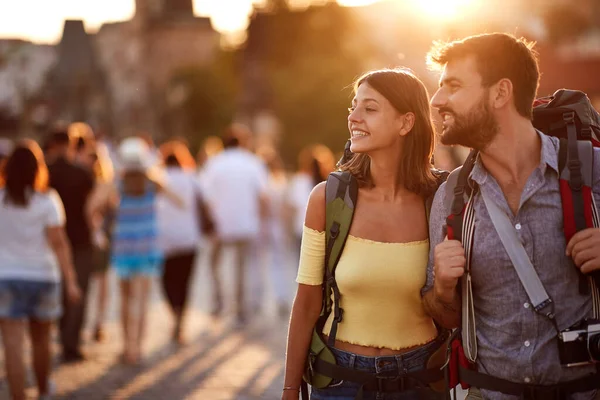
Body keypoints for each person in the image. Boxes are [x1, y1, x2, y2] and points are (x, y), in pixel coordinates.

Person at [422, 33, 600, 400]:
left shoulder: (594, 172)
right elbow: (445, 316)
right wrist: (442, 289)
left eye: (453, 86)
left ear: (501, 93)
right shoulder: (452, 197)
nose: (437, 101)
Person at [283, 68, 447, 400]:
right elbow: (306, 302)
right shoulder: (327, 199)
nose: (354, 117)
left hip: (421, 379)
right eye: (353, 106)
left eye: (369, 109)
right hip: (339, 380)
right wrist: (289, 390)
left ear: (406, 123)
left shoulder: (442, 200)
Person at [0, 140, 81, 400]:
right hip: (43, 276)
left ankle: (17, 397)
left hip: (7, 276)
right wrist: (71, 281)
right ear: (38, 169)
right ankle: (44, 390)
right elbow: (59, 244)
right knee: (41, 341)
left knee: (12, 346)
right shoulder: (48, 200)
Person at [104, 137, 182, 364]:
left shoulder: (117, 184)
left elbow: (94, 206)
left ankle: (127, 346)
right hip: (147, 247)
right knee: (142, 299)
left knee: (126, 299)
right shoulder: (153, 184)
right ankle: (137, 348)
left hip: (124, 248)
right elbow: (179, 201)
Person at [201, 123, 268, 325]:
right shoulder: (253, 163)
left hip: (220, 224)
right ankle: (240, 307)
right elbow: (263, 197)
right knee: (242, 267)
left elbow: (205, 196)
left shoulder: (214, 163)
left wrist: (209, 219)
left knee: (214, 263)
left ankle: (219, 299)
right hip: (246, 223)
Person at [47, 128, 95, 363]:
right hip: (81, 239)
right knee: (78, 290)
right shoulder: (83, 173)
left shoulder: (45, 173)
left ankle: (60, 333)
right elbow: (92, 208)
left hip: (52, 240)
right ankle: (71, 342)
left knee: (59, 289)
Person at [157, 140, 203, 345]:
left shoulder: (159, 178)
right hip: (189, 237)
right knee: (184, 282)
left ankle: (173, 313)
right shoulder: (192, 178)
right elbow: (205, 203)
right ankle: (180, 320)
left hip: (164, 238)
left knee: (167, 280)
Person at [85, 142, 116, 342]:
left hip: (99, 238)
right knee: (99, 282)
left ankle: (97, 321)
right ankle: (97, 321)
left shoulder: (103, 185)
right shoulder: (105, 185)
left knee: (97, 282)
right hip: (99, 238)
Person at [287, 144, 335, 253]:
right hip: (325, 231)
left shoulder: (299, 181)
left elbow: (291, 208)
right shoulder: (331, 183)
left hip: (302, 229)